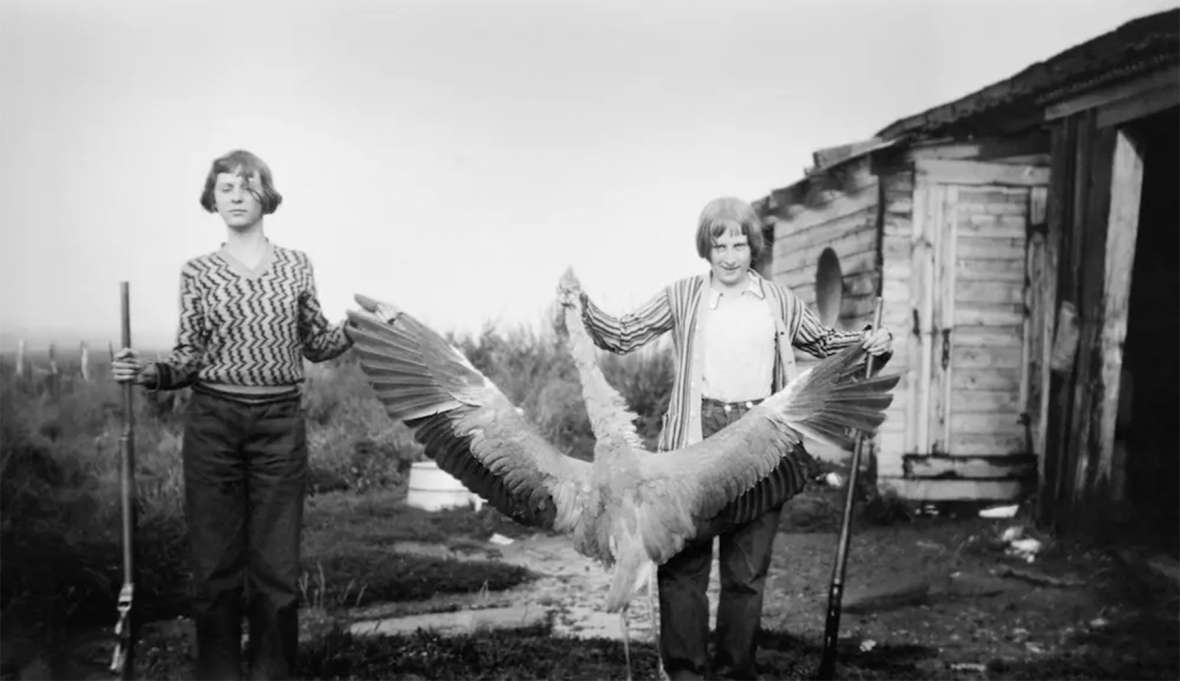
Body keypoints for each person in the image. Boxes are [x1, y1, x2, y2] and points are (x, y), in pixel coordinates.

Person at [573, 196, 892, 680]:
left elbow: (824, 343)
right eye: (718, 244)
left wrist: (869, 339)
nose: (728, 256)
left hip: (761, 442)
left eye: (739, 244)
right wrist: (582, 307)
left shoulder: (778, 300)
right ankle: (686, 673)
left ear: (753, 247)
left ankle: (734, 673)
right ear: (706, 248)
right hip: (695, 445)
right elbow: (622, 335)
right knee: (683, 569)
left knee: (747, 574)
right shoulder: (683, 295)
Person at [112, 149, 352, 680]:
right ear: (212, 199)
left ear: (267, 194)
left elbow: (317, 342)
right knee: (216, 573)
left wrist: (364, 325)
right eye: (225, 187)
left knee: (277, 575)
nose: (236, 195)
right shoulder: (197, 273)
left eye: (247, 185)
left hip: (279, 428)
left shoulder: (296, 265)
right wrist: (147, 372)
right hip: (213, 426)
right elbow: (189, 355)